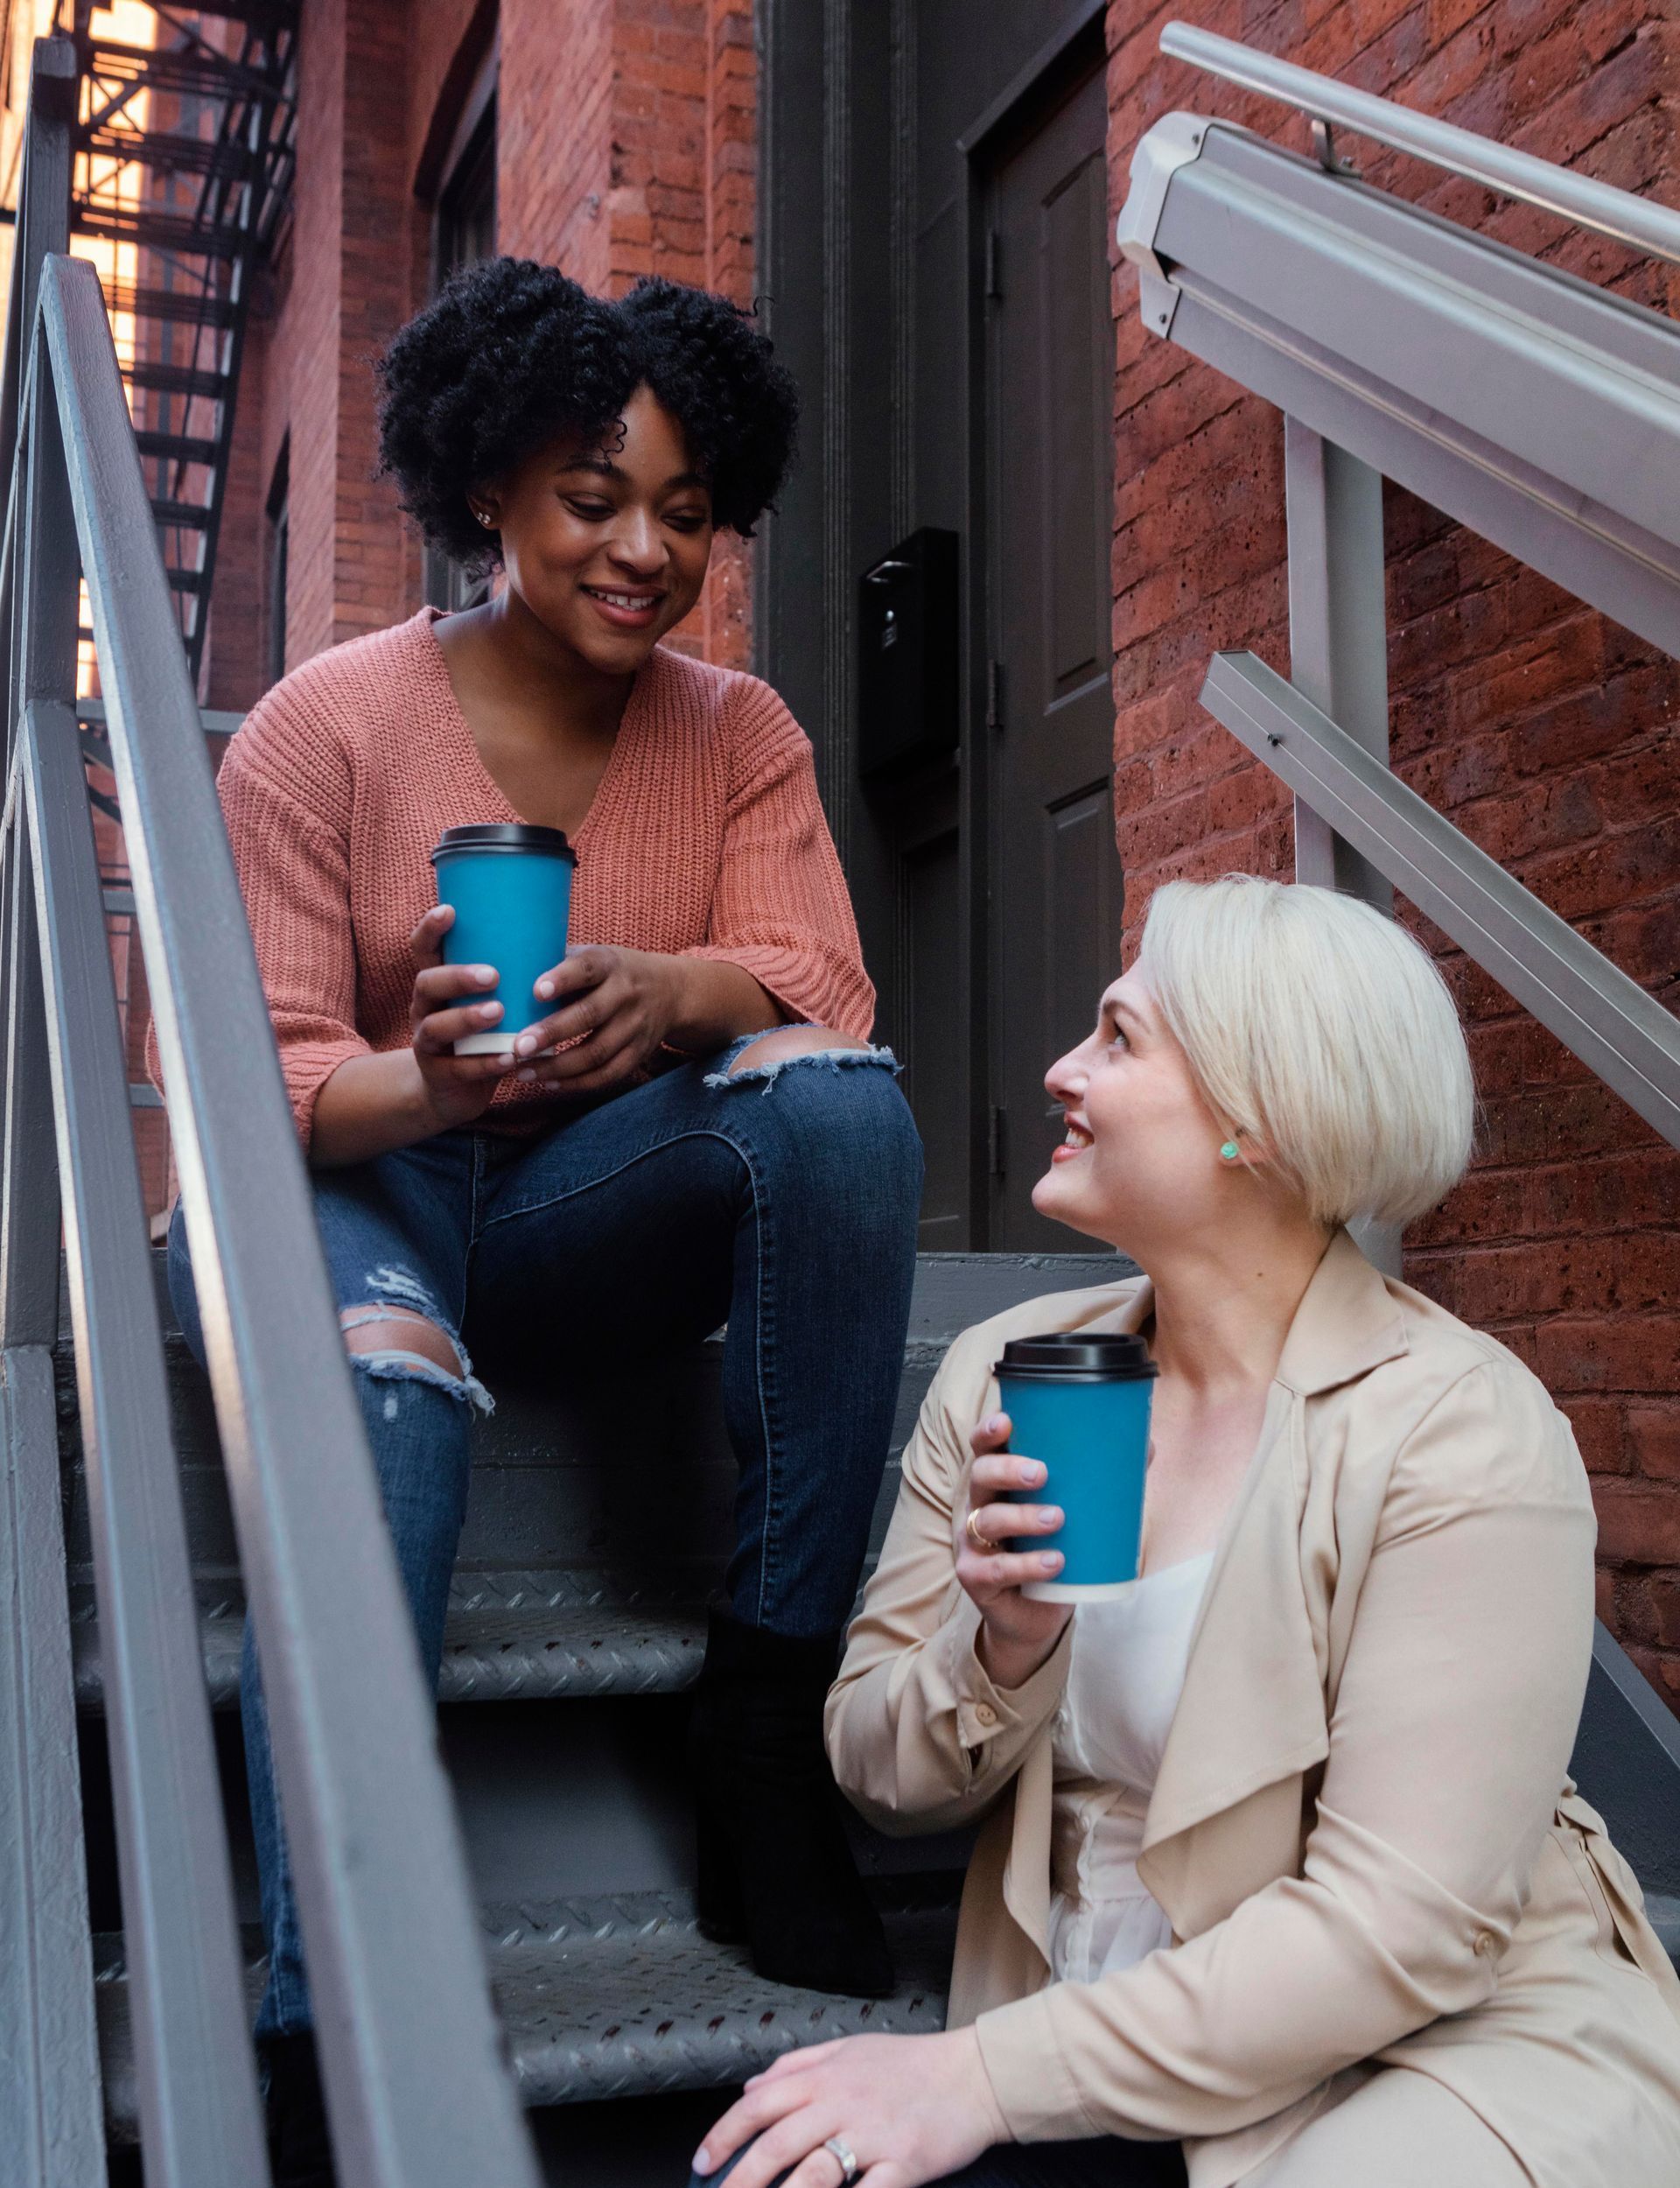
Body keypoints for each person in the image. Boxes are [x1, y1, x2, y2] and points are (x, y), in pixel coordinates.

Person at [163, 259, 922, 2187]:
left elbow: (823, 987)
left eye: (685, 508)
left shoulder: (737, 729)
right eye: (595, 498)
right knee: (395, 1385)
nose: (644, 549)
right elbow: (253, 1094)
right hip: (356, 1195)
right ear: (488, 487)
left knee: (834, 1111)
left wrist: (669, 993)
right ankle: (313, 2026)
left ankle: (762, 1728)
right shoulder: (324, 729)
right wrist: (434, 1074)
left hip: (579, 1213)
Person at [692, 874, 1680, 2188]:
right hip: (1087, 2033)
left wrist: (981, 2076)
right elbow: (879, 1773)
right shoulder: (1006, 1374)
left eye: (1117, 1037)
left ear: (1255, 1122)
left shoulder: (1462, 1429)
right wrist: (1001, 1650)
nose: (1059, 1069)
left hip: (1430, 2052)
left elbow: (1401, 1934)